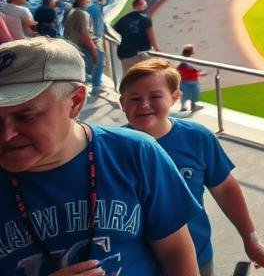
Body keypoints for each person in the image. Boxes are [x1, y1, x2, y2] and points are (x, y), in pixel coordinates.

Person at [0, 37, 200, 274]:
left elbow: (175, 251)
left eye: (25, 116)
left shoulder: (136, 153)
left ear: (75, 102)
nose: (6, 135)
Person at [119, 58, 264, 275]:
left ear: (174, 98)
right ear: (122, 103)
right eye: (135, 98)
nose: (144, 104)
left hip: (195, 257)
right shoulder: (110, 147)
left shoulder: (196, 138)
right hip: (134, 264)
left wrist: (251, 239)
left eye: (155, 96)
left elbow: (226, 189)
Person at [62, 0, 101, 96]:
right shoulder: (82, 14)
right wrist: (94, 52)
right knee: (98, 62)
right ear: (82, 1)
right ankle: (96, 89)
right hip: (85, 46)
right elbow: (85, 35)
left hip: (75, 46)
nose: (89, 0)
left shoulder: (71, 11)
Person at [114, 0, 159, 65]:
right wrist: (157, 50)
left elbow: (114, 33)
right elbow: (152, 39)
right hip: (140, 55)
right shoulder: (145, 18)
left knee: (129, 74)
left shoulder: (122, 20)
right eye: (144, 7)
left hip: (124, 54)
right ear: (141, 6)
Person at [178, 44, 203, 112]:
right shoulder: (187, 60)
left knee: (185, 94)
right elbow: (194, 68)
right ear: (190, 51)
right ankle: (193, 106)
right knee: (194, 93)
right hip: (191, 80)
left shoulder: (182, 60)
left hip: (185, 80)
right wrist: (200, 72)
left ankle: (184, 106)